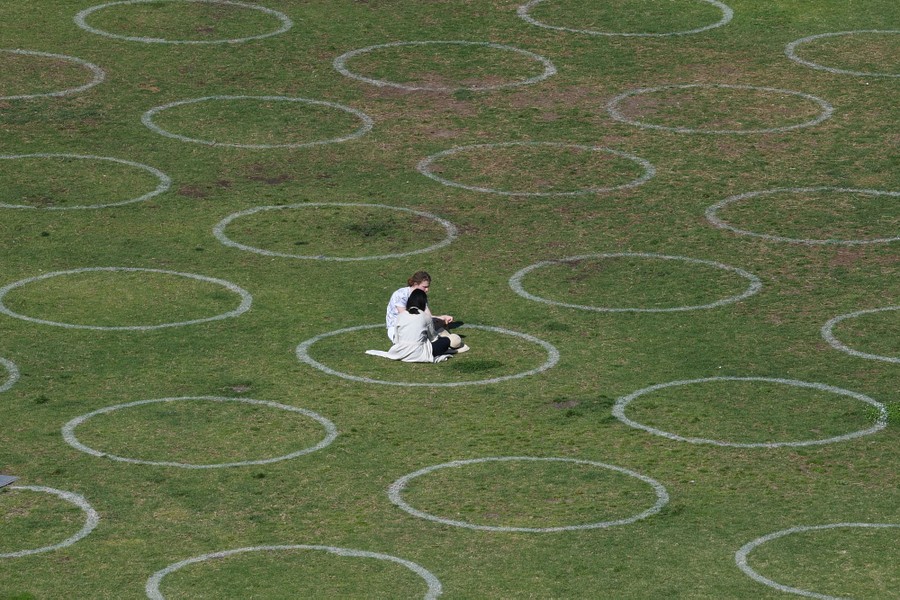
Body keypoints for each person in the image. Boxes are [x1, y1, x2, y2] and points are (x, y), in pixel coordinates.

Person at [367, 289, 467, 363]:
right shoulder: (425, 317)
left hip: (399, 351)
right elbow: (434, 338)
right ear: (423, 303)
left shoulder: (400, 316)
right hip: (420, 353)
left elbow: (397, 338)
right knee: (451, 339)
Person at [385, 271, 452, 342]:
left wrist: (442, 318)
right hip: (397, 328)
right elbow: (405, 317)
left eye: (428, 287)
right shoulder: (401, 294)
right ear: (415, 284)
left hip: (414, 325)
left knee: (437, 323)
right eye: (424, 287)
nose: (427, 290)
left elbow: (428, 317)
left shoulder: (421, 296)